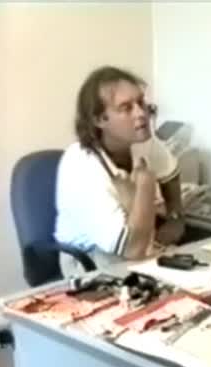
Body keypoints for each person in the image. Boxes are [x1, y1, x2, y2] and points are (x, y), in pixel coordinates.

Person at [55, 66, 185, 277]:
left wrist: (175, 216)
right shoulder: (80, 167)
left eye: (141, 102)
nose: (141, 113)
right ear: (99, 120)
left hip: (140, 244)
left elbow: (170, 171)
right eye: (126, 108)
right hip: (91, 262)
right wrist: (145, 186)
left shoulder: (143, 139)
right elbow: (133, 250)